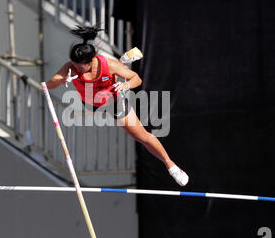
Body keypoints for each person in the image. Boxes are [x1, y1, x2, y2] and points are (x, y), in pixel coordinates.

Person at [43, 26, 189, 186]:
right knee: (101, 85)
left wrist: (126, 86)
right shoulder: (70, 68)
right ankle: (123, 61)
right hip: (91, 103)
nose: (76, 69)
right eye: (74, 65)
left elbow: (136, 79)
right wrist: (61, 80)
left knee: (140, 135)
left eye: (80, 67)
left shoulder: (108, 65)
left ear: (91, 61)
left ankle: (171, 165)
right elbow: (48, 85)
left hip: (114, 101)